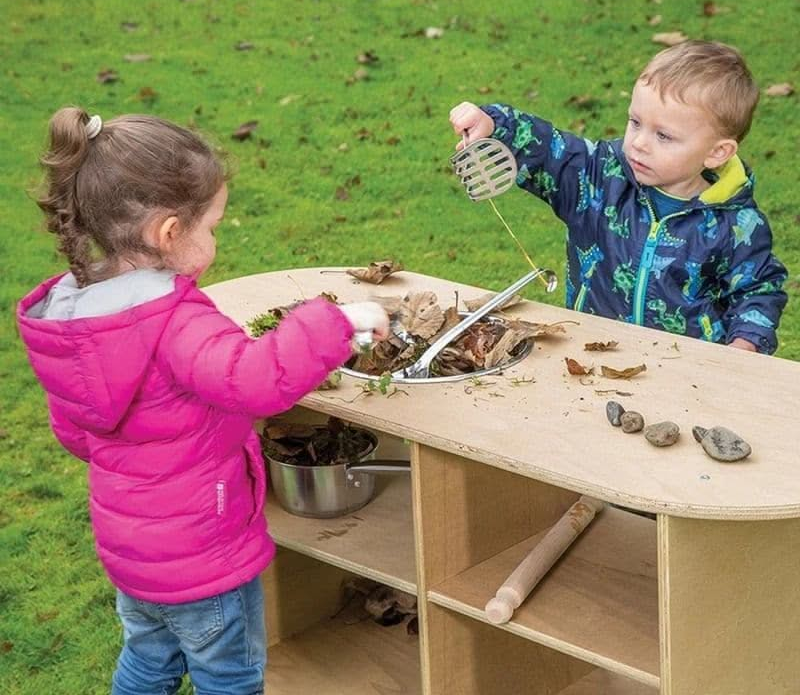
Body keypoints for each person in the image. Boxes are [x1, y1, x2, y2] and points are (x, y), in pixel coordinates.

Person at [16, 107, 389, 695]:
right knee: (230, 677)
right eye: (212, 225)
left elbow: (74, 432)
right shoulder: (176, 323)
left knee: (148, 661)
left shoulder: (76, 320)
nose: (215, 238)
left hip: (132, 556)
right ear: (168, 232)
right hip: (205, 561)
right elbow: (255, 377)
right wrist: (337, 320)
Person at [449, 40, 787, 353]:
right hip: (595, 356)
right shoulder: (598, 177)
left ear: (717, 153)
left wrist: (744, 346)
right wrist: (494, 126)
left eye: (664, 136)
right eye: (635, 122)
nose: (639, 142)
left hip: (687, 373)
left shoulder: (737, 224)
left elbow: (758, 291)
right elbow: (548, 150)